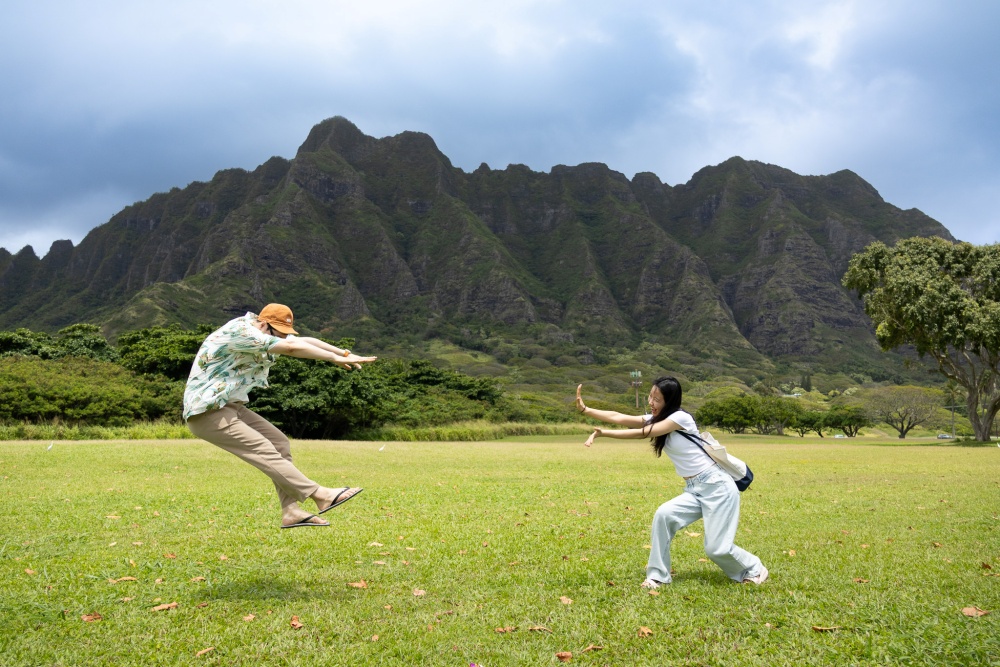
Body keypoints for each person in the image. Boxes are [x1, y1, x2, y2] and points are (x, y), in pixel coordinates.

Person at [183, 303, 377, 529]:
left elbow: (305, 341)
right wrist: (333, 359)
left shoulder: (259, 329)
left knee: (278, 443)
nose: (284, 339)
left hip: (229, 406)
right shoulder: (241, 332)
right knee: (262, 449)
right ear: (264, 324)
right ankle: (319, 494)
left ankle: (291, 511)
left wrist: (344, 353)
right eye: (279, 334)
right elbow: (293, 348)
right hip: (208, 411)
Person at [576, 377, 767, 588]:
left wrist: (605, 433)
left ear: (670, 400)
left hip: (717, 487)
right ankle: (658, 576)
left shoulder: (680, 418)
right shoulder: (658, 418)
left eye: (657, 399)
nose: (651, 402)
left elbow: (644, 433)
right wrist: (586, 409)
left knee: (716, 549)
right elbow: (619, 416)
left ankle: (754, 568)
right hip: (695, 489)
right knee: (664, 515)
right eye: (650, 396)